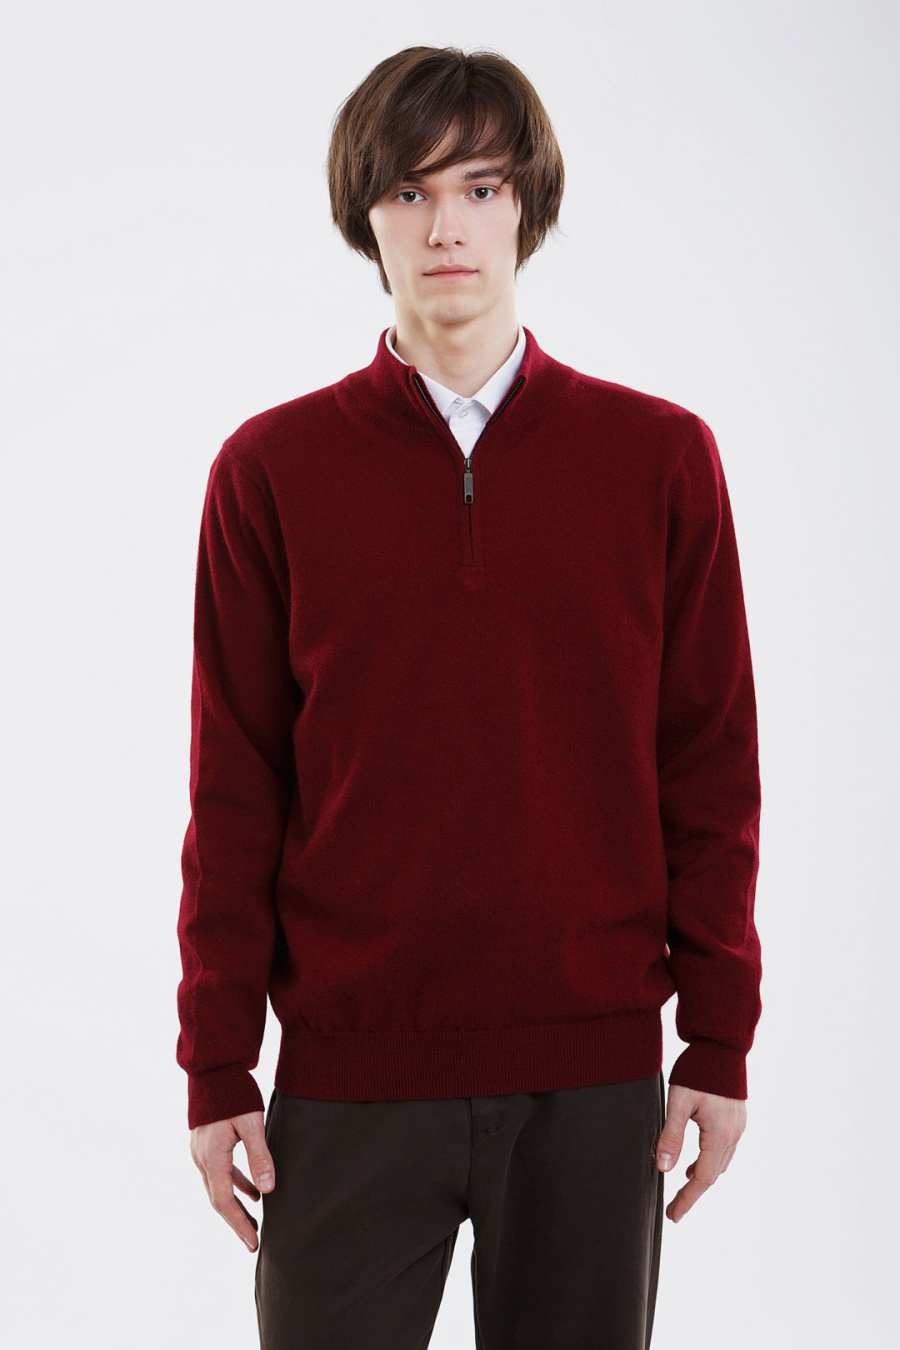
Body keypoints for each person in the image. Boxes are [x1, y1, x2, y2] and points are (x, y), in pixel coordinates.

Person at [176, 44, 763, 1350]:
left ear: (527, 208)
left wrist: (719, 1040)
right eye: (411, 191)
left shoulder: (660, 460)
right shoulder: (269, 473)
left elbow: (710, 766)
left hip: (592, 1077)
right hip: (350, 1072)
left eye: (482, 188)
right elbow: (235, 785)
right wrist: (216, 1063)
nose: (446, 226)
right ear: (366, 215)